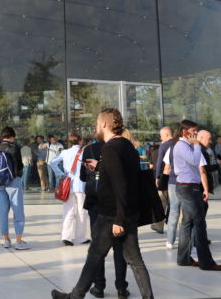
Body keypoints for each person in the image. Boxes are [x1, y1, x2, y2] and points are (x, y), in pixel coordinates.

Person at [51, 108, 153, 299]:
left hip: (112, 215)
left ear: (104, 124)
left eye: (98, 123)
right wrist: (100, 167)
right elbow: (125, 175)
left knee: (95, 257)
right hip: (127, 213)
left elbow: (121, 185)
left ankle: (75, 296)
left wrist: (119, 220)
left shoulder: (110, 148)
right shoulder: (127, 146)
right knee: (135, 261)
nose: (96, 127)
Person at [80, 132, 129, 298]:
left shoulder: (89, 150)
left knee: (98, 247)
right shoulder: (118, 148)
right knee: (119, 247)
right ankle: (121, 287)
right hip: (116, 203)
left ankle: (99, 286)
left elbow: (82, 176)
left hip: (96, 202)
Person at [170, 119, 221, 272]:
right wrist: (196, 145)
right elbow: (195, 161)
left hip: (190, 187)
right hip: (187, 189)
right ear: (185, 132)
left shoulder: (185, 145)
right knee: (199, 223)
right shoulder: (182, 146)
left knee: (187, 224)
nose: (196, 134)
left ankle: (184, 258)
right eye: (194, 131)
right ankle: (206, 262)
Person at [51, 132, 89, 246]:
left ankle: (66, 237)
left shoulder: (65, 152)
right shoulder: (84, 152)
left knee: (68, 210)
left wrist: (61, 174)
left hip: (68, 184)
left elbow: (52, 162)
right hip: (81, 185)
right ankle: (81, 237)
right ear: (80, 141)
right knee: (82, 212)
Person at [0, 126, 27, 249]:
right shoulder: (15, 147)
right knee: (18, 210)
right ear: (12, 136)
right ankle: (18, 241)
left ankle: (6, 240)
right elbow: (19, 165)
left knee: (2, 212)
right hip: (13, 181)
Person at [151, 126, 173, 235]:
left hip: (165, 179)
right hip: (176, 179)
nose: (160, 138)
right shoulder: (178, 144)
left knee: (162, 203)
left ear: (167, 135)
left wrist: (157, 177)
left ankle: (159, 226)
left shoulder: (164, 146)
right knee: (174, 204)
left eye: (161, 135)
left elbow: (159, 163)